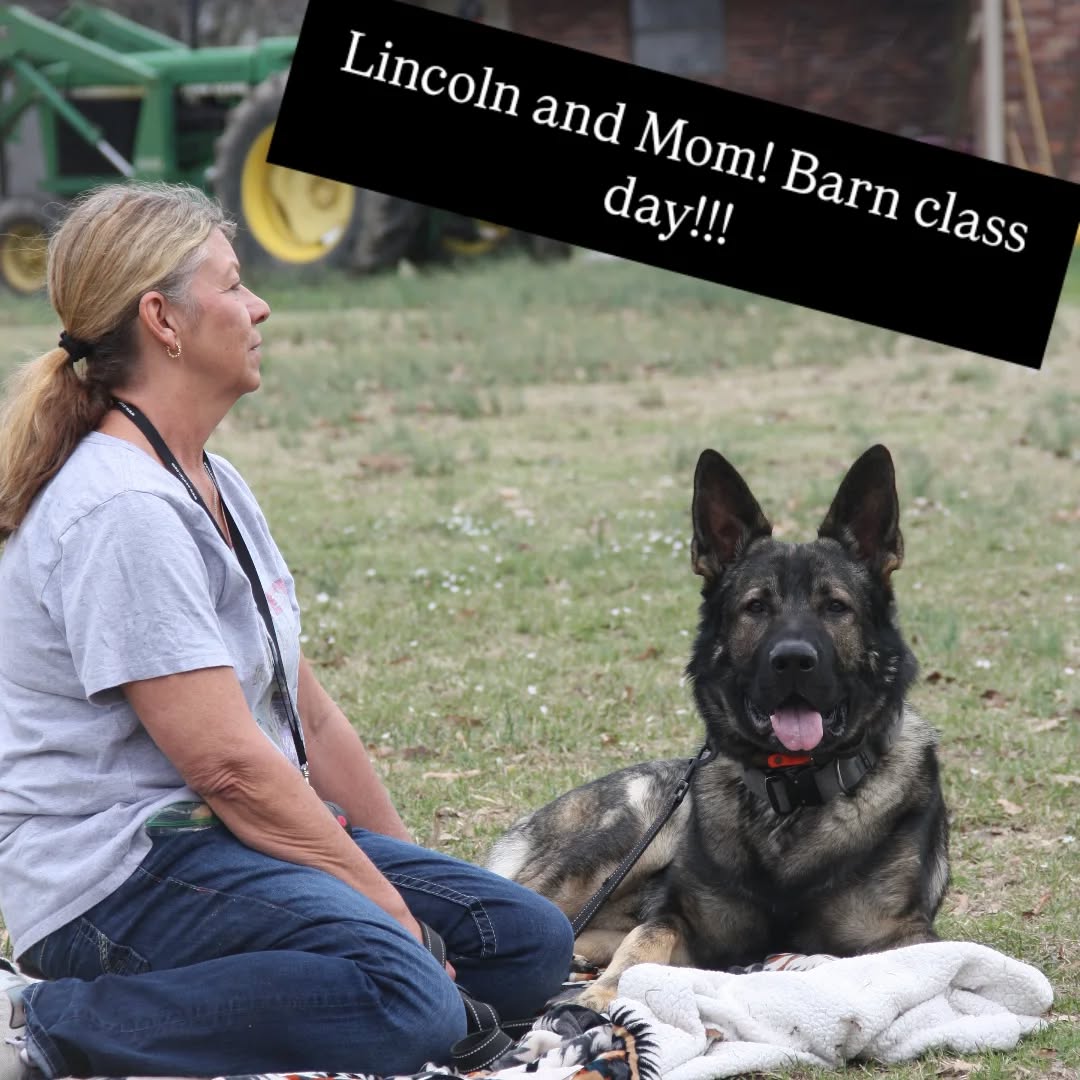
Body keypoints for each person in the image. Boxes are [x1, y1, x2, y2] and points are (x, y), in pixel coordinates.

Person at [0, 180, 575, 1080]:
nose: (260, 305)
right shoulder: (121, 512)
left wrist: (410, 884)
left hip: (220, 843)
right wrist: (395, 921)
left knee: (523, 941)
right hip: (117, 882)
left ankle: (294, 985)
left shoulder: (212, 479)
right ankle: (39, 1022)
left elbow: (308, 713)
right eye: (233, 284)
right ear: (163, 319)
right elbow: (227, 767)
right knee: (408, 1001)